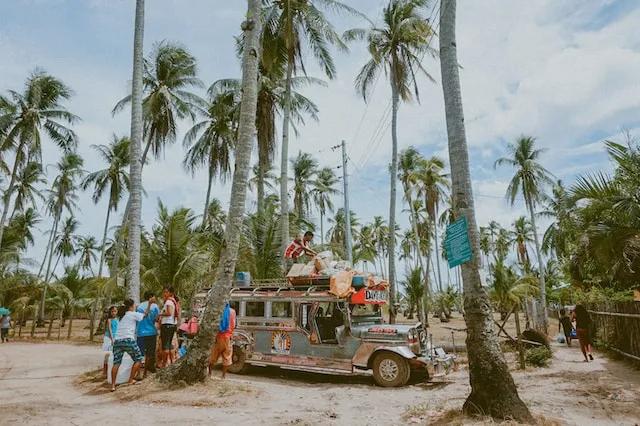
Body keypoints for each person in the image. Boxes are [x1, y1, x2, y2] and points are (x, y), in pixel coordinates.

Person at [110, 299, 151, 391]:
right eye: (134, 305)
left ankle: (113, 385)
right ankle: (130, 379)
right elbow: (145, 315)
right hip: (128, 339)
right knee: (139, 358)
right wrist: (150, 304)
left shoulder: (121, 316)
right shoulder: (132, 314)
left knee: (116, 363)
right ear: (131, 306)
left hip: (117, 341)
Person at [209, 302, 236, 379]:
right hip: (228, 336)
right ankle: (223, 376)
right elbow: (233, 325)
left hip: (219, 336)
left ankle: (209, 374)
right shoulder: (233, 312)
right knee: (226, 356)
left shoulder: (220, 310)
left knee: (213, 355)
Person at [136, 291, 159, 377]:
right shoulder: (155, 306)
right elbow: (157, 319)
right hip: (151, 332)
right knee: (150, 353)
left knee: (140, 354)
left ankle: (138, 373)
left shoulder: (139, 306)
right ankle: (146, 372)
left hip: (141, 332)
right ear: (151, 297)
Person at [158, 287, 179, 368]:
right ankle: (171, 363)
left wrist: (160, 314)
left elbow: (169, 313)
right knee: (170, 345)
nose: (164, 294)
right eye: (164, 292)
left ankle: (164, 364)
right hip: (172, 325)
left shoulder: (169, 302)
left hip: (167, 325)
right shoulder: (173, 301)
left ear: (170, 293)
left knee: (165, 347)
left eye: (166, 292)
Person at [102, 306, 118, 378]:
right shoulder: (109, 320)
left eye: (115, 311)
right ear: (110, 312)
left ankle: (110, 371)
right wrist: (112, 339)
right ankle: (104, 372)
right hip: (109, 338)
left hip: (115, 338)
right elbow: (110, 330)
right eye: (112, 311)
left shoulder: (118, 319)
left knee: (114, 355)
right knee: (107, 355)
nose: (114, 313)